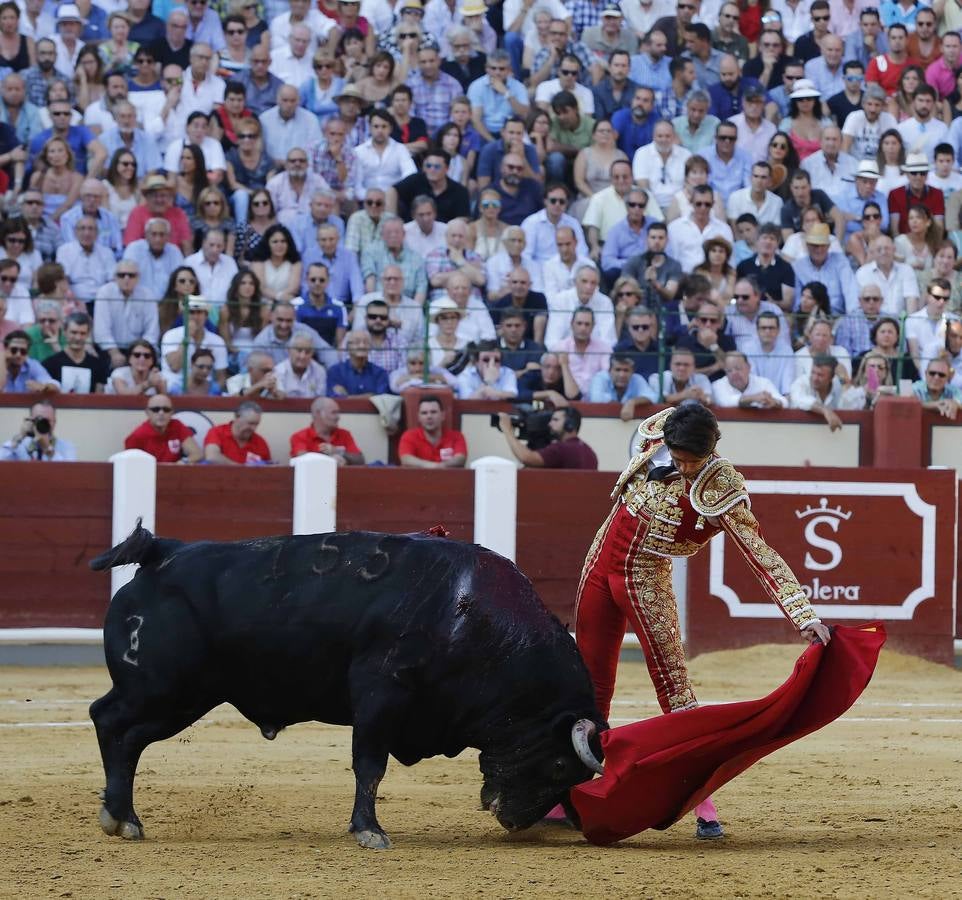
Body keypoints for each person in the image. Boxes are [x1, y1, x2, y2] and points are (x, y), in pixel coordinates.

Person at [574, 403, 830, 839]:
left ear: (711, 451)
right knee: (588, 682)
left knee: (675, 692)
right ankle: (570, 791)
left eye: (692, 461)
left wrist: (802, 614)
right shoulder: (660, 431)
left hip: (645, 579)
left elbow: (758, 553)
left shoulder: (721, 485)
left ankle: (702, 805)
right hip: (600, 564)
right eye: (678, 458)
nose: (684, 467)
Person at [498, 405, 598, 469]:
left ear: (569, 425)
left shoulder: (561, 448)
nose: (549, 424)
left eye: (555, 420)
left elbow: (526, 458)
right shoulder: (589, 451)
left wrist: (507, 429)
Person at [43, 311, 109, 394]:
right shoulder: (50, 364)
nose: (78, 338)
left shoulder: (98, 365)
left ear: (88, 334)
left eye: (82, 333)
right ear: (64, 332)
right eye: (73, 332)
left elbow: (99, 397)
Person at [123, 393, 202, 462]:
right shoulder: (137, 436)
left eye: (166, 409)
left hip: (173, 473)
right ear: (147, 412)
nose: (161, 413)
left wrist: (183, 462)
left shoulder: (177, 426)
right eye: (156, 409)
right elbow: (130, 464)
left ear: (172, 412)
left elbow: (197, 454)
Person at [398, 393, 467, 468]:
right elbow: (406, 459)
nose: (429, 416)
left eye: (433, 412)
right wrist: (433, 466)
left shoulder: (456, 436)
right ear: (419, 417)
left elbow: (460, 459)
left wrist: (440, 466)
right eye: (424, 413)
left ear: (443, 415)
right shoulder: (409, 436)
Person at [289, 397, 364, 464]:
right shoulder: (299, 437)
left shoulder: (344, 434)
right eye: (333, 412)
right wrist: (331, 461)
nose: (338, 417)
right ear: (318, 413)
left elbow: (360, 461)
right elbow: (302, 460)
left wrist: (338, 451)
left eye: (338, 412)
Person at [0, 399, 75, 460]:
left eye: (47, 421)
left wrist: (47, 448)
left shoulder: (66, 447)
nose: (42, 424)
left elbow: (69, 472)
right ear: (30, 421)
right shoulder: (22, 445)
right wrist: (18, 439)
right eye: (38, 420)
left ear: (54, 423)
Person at [203, 399, 272, 464]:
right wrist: (241, 469)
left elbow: (269, 468)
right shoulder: (217, 432)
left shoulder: (260, 442)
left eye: (256, 424)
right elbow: (212, 457)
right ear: (237, 417)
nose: (253, 428)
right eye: (250, 423)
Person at [711, 350, 786, 408]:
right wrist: (753, 398)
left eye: (738, 368)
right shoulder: (717, 385)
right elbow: (725, 402)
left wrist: (775, 402)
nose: (734, 373)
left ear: (748, 367)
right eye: (729, 370)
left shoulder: (763, 383)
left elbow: (784, 402)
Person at [789, 353, 845, 430]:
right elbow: (799, 400)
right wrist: (825, 410)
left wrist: (845, 381)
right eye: (813, 372)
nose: (815, 378)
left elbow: (852, 407)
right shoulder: (801, 383)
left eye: (820, 375)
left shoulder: (838, 384)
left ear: (831, 378)